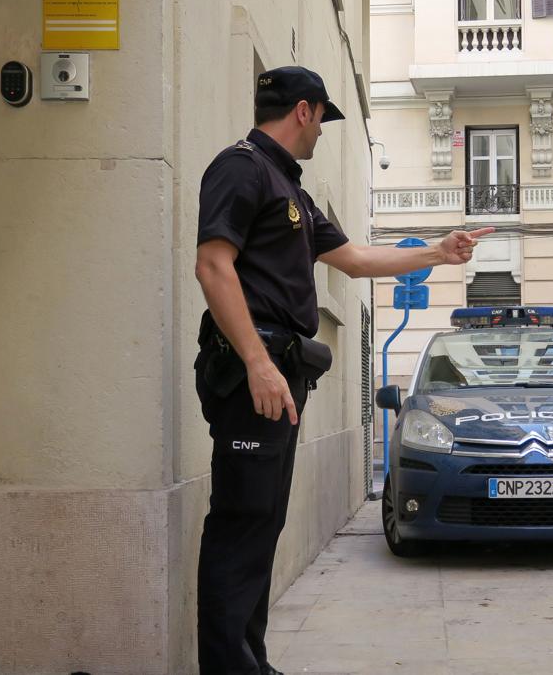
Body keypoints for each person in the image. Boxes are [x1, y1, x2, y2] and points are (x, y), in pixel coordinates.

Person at [192, 65, 492, 674]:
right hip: (255, 372)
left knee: (264, 524)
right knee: (241, 524)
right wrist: (257, 362)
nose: (323, 132)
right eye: (322, 118)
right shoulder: (241, 167)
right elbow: (213, 266)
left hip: (279, 374)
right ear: (303, 110)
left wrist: (437, 250)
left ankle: (251, 660)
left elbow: (353, 258)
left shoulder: (291, 189)